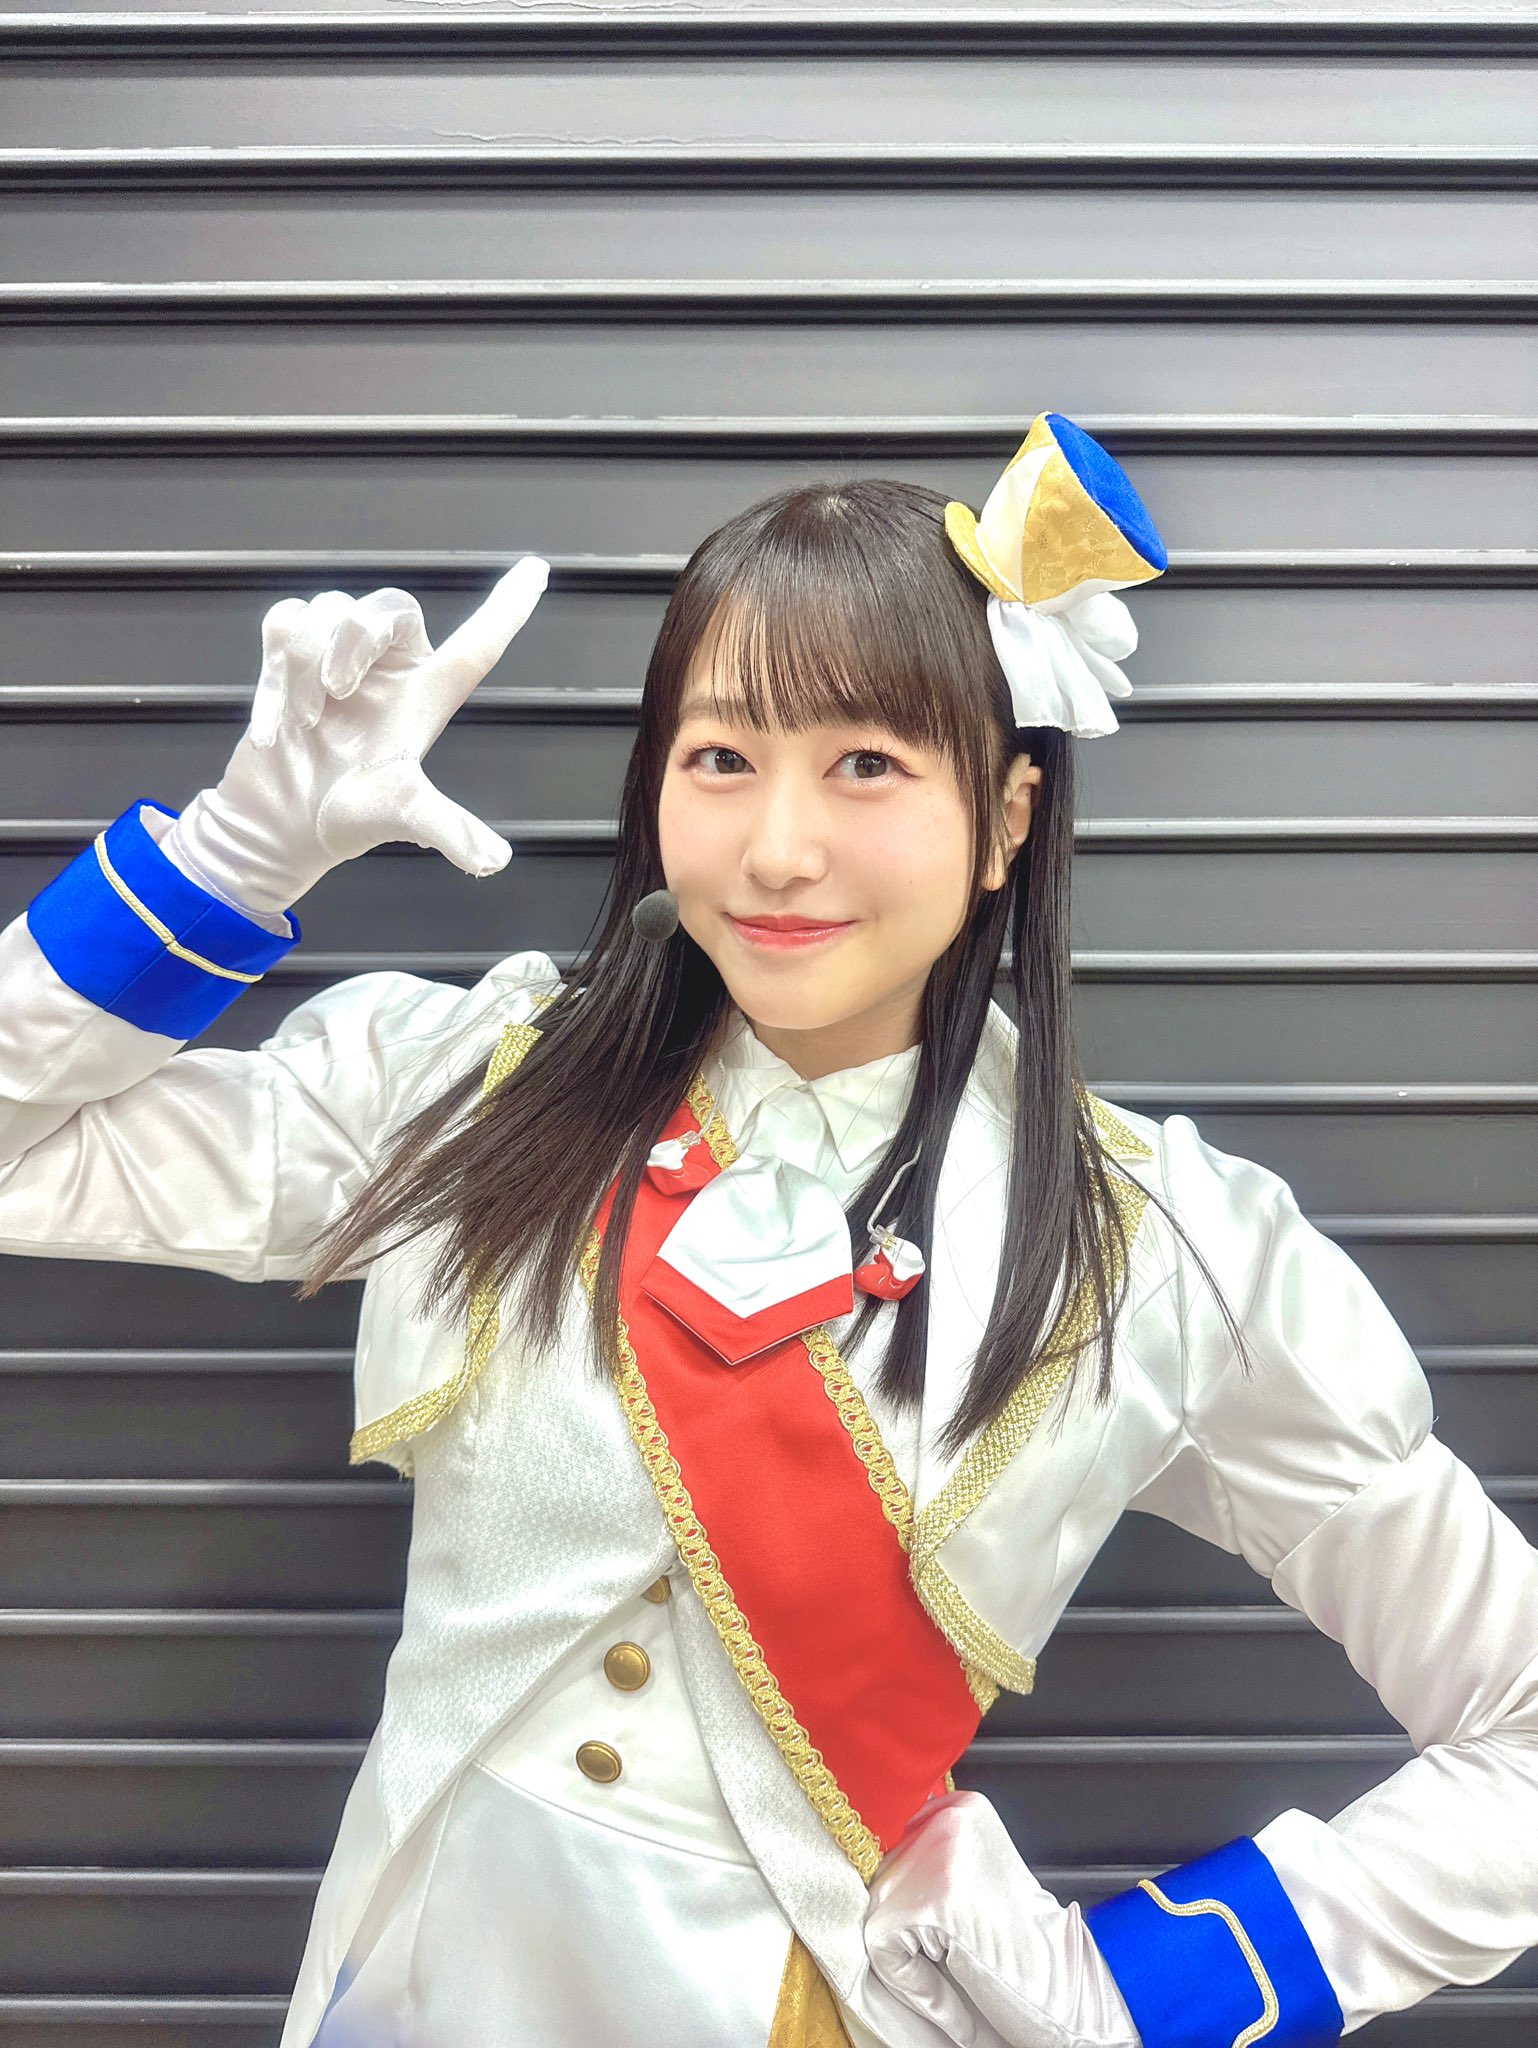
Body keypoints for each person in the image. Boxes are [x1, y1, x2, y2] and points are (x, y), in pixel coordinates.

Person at [1, 411, 1535, 2048]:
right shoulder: (477, 1091)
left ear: (1010, 813)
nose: (777, 850)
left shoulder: (1159, 1254)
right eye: (721, 759)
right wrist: (230, 861)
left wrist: (1149, 1991)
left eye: (866, 764)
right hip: (411, 1992)